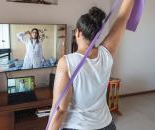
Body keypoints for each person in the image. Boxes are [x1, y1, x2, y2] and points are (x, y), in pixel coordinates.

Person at [48, 0, 135, 130]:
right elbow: (123, 18)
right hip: (106, 125)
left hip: (77, 127)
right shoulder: (107, 53)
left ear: (77, 32)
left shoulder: (66, 62)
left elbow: (60, 109)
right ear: (97, 34)